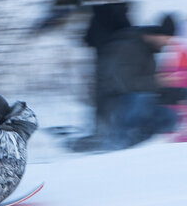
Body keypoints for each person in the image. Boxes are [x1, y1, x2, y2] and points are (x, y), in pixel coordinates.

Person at [72, 14, 179, 151]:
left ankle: (142, 146)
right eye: (166, 39)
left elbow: (148, 85)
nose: (167, 44)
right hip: (114, 103)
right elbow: (126, 84)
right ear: (156, 35)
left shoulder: (147, 50)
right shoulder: (128, 47)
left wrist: (177, 92)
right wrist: (158, 81)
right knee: (143, 98)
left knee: (169, 117)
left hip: (134, 101)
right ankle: (116, 144)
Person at [83, 0, 132, 132]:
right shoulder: (122, 13)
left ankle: (101, 129)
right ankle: (119, 129)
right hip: (120, 62)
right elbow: (130, 34)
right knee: (119, 94)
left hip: (102, 61)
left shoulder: (97, 15)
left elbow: (88, 39)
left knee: (102, 97)